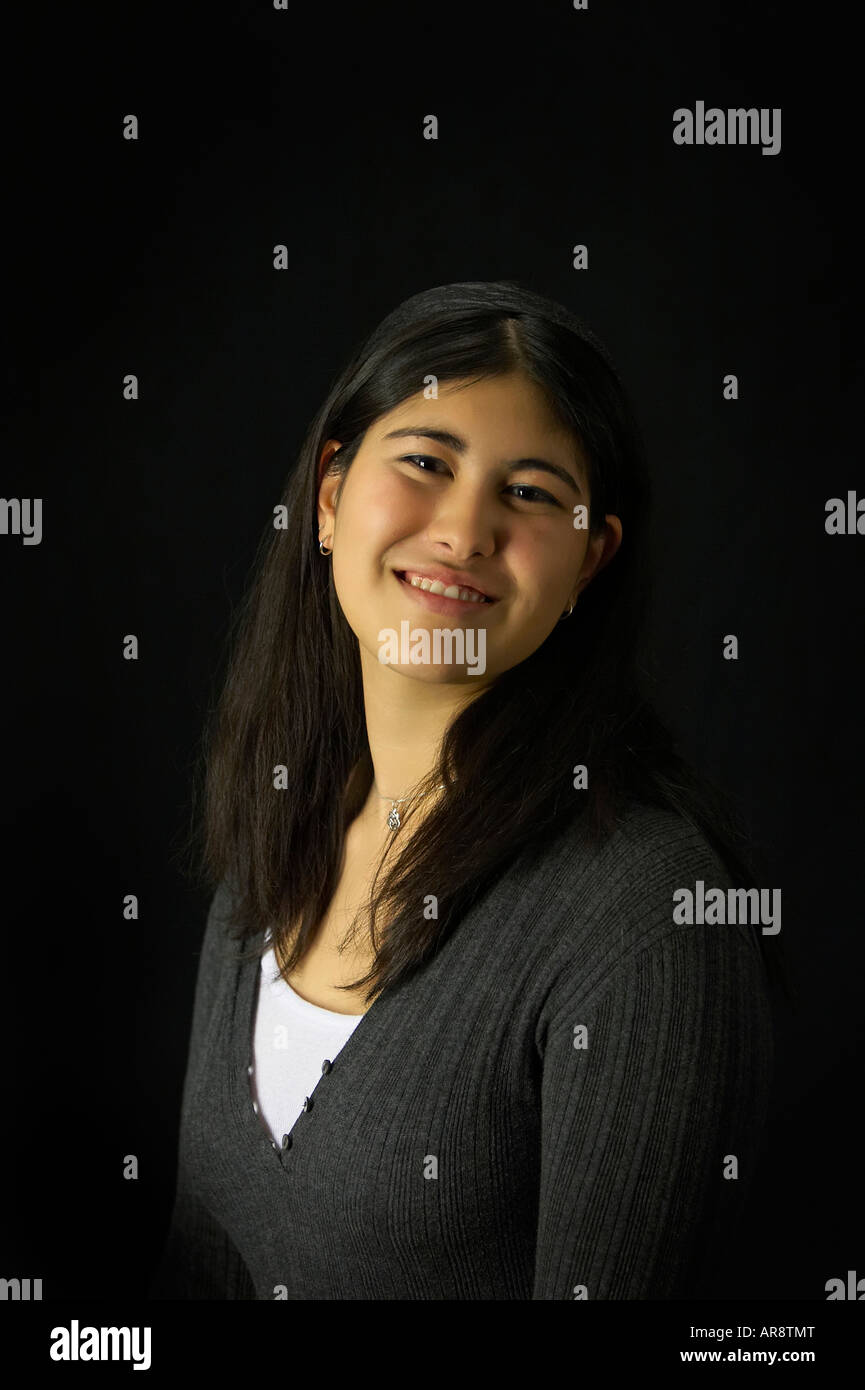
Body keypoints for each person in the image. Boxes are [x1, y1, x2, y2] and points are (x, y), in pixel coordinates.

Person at [149, 279, 777, 1300]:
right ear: (329, 492)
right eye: (426, 463)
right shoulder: (280, 827)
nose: (463, 530)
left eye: (527, 492)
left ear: (589, 561)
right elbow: (201, 1262)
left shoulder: (647, 918)